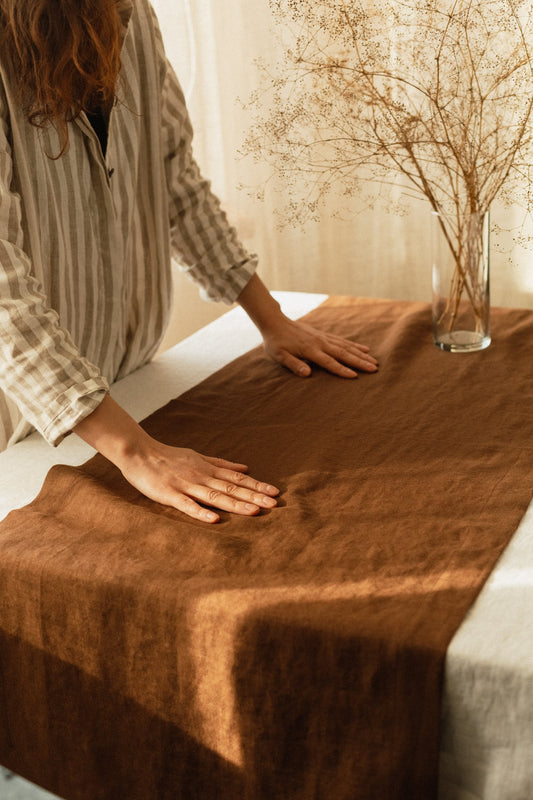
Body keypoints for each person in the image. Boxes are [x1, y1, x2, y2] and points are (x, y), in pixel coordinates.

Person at [0, 0, 378, 523]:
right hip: (24, 423)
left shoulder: (133, 20)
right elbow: (2, 294)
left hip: (127, 376)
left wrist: (270, 320)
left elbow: (174, 181)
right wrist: (136, 452)